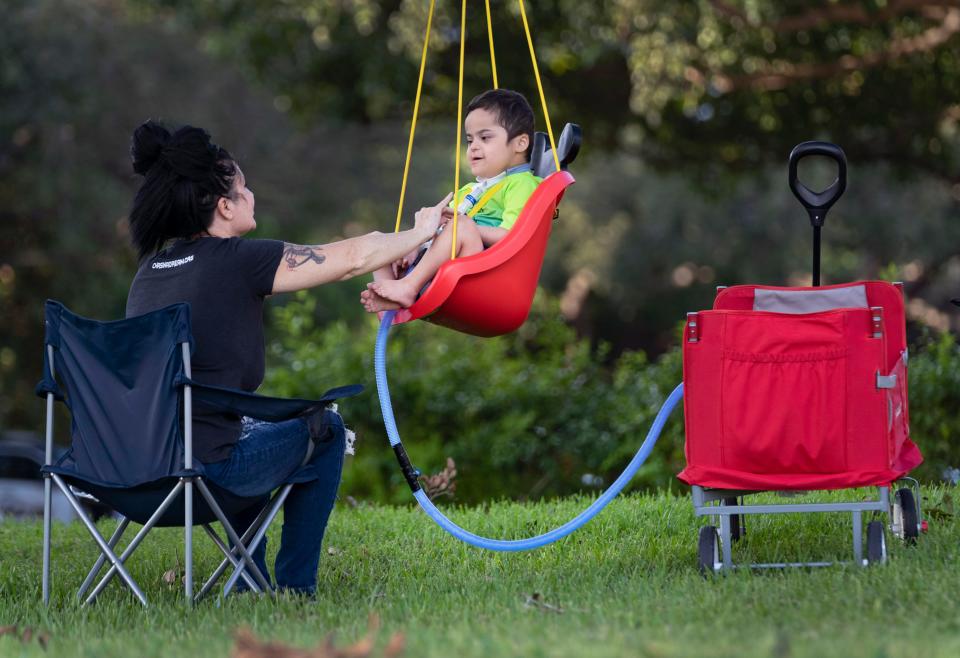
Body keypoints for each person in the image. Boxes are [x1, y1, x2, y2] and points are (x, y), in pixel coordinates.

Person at [124, 120, 450, 597]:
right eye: (244, 187)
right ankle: (296, 588)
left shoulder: (148, 274)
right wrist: (420, 231)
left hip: (132, 474)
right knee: (327, 430)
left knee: (243, 432)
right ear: (224, 205)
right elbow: (352, 257)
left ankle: (247, 583)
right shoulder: (236, 259)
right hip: (202, 474)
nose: (252, 195)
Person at [360, 89, 541, 313]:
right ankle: (390, 300)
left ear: (520, 143)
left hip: (481, 272)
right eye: (469, 139)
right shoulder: (470, 189)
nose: (473, 146)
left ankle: (409, 286)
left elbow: (511, 236)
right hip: (441, 263)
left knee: (460, 225)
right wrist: (413, 244)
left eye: (485, 138)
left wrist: (464, 225)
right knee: (380, 240)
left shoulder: (521, 183)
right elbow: (440, 228)